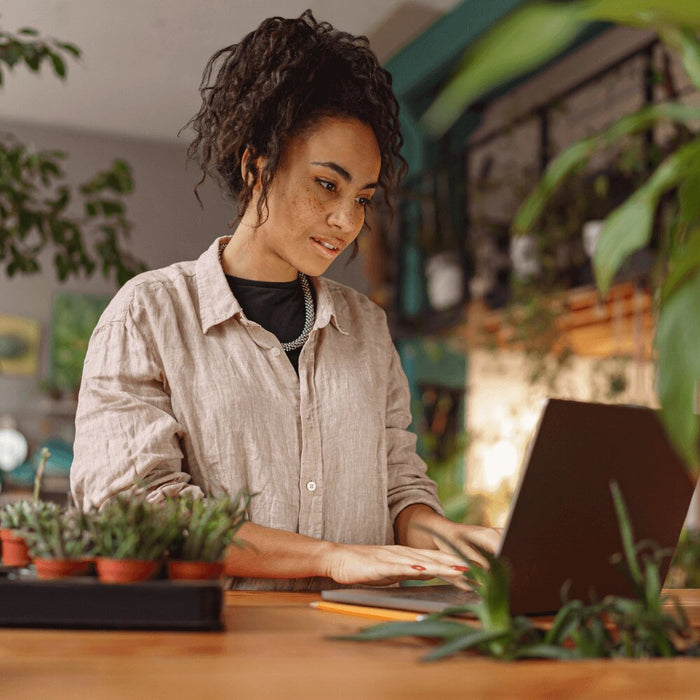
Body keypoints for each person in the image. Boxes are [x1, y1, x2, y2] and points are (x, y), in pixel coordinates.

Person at [70, 10, 498, 590]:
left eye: (363, 197)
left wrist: (456, 539)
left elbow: (400, 490)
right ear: (257, 166)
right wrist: (328, 556)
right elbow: (139, 512)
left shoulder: (366, 328)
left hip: (357, 657)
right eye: (327, 184)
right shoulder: (148, 315)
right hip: (213, 660)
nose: (347, 221)